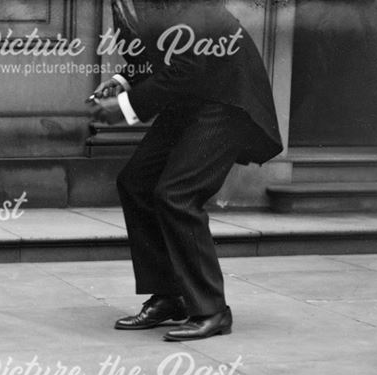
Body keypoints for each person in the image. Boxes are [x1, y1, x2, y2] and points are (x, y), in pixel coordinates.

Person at [88, 0, 283, 340]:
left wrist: (125, 107)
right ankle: (170, 297)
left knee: (177, 194)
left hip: (226, 99)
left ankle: (212, 310)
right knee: (136, 182)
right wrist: (124, 81)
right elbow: (146, 49)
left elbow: (188, 65)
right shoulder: (121, 3)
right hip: (191, 97)